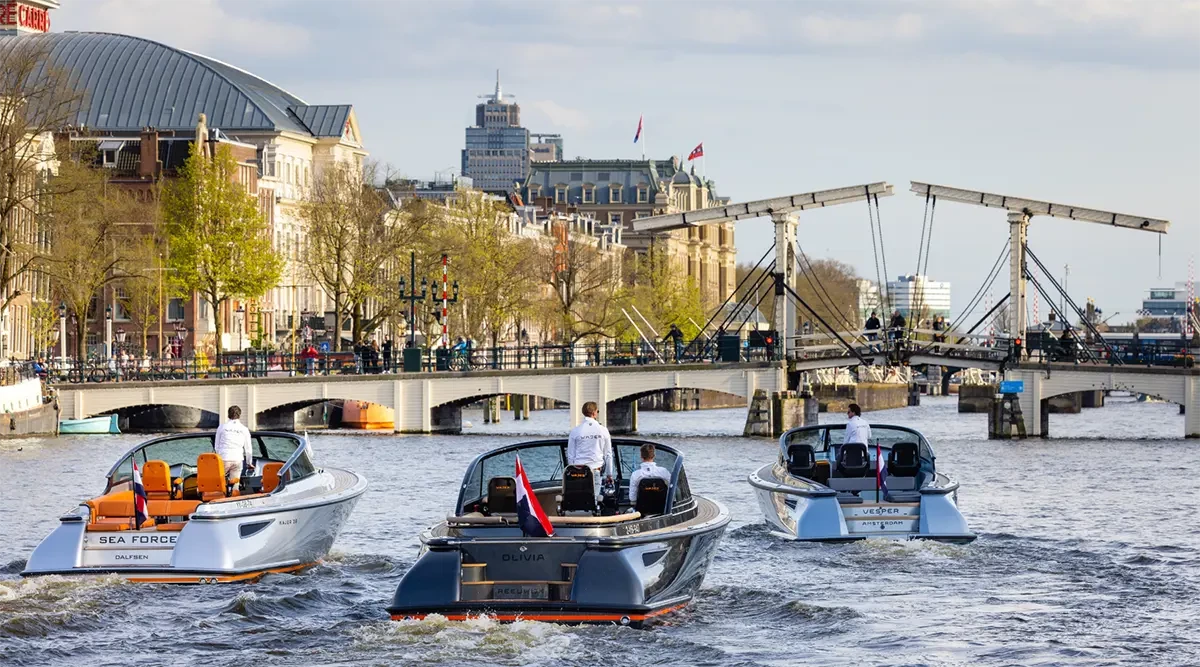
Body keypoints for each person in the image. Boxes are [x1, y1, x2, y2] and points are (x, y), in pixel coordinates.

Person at [566, 401, 614, 501]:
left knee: (578, 500)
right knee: (594, 501)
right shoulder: (603, 430)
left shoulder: (575, 431)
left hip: (578, 470)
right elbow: (608, 454)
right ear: (594, 413)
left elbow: (570, 455)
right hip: (596, 469)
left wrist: (573, 470)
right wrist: (609, 475)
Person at [214, 405, 253, 486]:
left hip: (224, 458)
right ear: (240, 415)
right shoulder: (244, 429)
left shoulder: (221, 427)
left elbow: (217, 446)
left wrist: (219, 458)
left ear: (228, 415)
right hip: (237, 459)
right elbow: (248, 449)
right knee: (235, 484)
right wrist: (249, 463)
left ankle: (220, 496)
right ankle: (234, 494)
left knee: (218, 484)